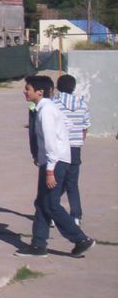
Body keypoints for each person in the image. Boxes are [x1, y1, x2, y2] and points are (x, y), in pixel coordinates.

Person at [15, 75, 94, 258]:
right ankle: (38, 245)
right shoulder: (48, 107)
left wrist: (50, 169)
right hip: (56, 160)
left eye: (28, 89)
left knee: (51, 204)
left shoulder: (46, 111)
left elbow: (50, 142)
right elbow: (68, 123)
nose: (24, 91)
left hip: (55, 163)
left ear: (39, 92)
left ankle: (81, 240)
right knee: (42, 203)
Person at [53, 74, 90, 225]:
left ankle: (52, 213)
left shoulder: (54, 103)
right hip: (75, 148)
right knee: (72, 184)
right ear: (73, 87)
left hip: (59, 148)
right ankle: (76, 216)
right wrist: (78, 141)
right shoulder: (83, 104)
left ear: (57, 87)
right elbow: (85, 127)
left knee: (55, 182)